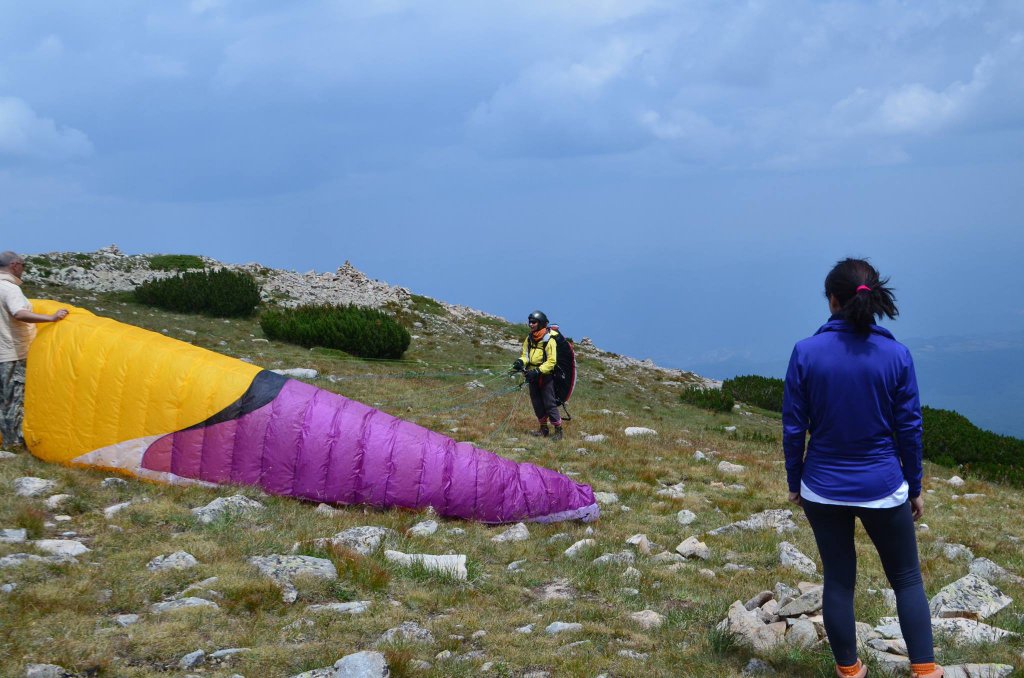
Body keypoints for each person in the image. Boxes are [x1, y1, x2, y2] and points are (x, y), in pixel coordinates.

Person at [783, 258, 941, 678]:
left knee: (839, 580)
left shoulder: (805, 352)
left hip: (822, 486)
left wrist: (795, 481)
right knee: (906, 578)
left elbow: (794, 426)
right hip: (884, 485)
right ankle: (925, 670)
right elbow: (909, 428)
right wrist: (915, 485)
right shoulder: (896, 355)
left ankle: (850, 671)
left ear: (832, 300)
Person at [0, 251, 69, 450]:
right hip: (11, 354)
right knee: (12, 399)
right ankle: (12, 445)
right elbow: (19, 313)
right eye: (23, 265)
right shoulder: (9, 289)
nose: (23, 269)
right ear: (14, 265)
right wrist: (51, 318)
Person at [512, 310, 564, 441]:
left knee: (549, 403)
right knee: (536, 402)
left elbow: (551, 361)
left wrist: (538, 371)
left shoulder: (549, 340)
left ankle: (558, 430)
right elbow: (526, 356)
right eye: (530, 322)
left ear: (540, 323)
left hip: (545, 376)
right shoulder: (529, 338)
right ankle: (543, 429)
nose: (531, 324)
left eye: (534, 322)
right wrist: (520, 362)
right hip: (531, 375)